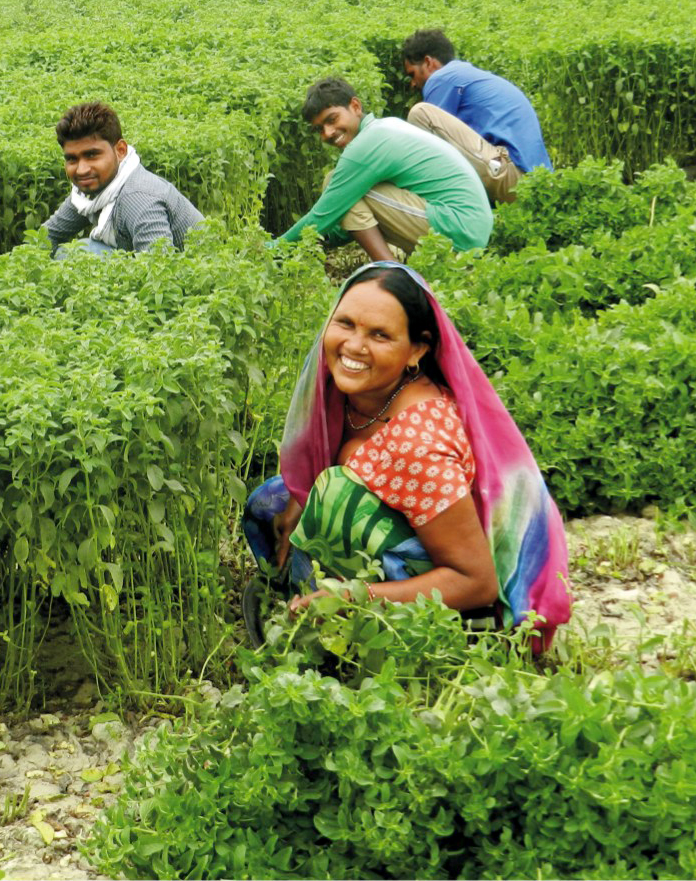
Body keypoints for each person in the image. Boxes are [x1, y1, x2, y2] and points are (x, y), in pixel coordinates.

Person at [242, 261, 570, 649]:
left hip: (459, 610)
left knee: (336, 494)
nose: (353, 346)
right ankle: (303, 594)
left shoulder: (416, 443)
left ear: (416, 350)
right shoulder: (350, 393)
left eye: (380, 335)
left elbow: (476, 581)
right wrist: (304, 498)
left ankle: (340, 636)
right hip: (405, 540)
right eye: (345, 323)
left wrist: (351, 598)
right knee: (275, 499)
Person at [277, 77, 492, 261]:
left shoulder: (367, 144)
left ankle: (393, 273)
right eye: (319, 129)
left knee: (338, 185)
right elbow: (348, 222)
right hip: (469, 227)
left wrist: (272, 250)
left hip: (461, 230)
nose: (328, 133)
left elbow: (322, 215)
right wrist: (324, 239)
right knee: (347, 192)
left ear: (355, 106)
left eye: (332, 120)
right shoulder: (386, 125)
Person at [401, 28, 553, 204]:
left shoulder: (442, 78)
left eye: (412, 74)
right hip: (536, 182)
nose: (413, 83)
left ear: (428, 62)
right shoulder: (465, 74)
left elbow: (426, 148)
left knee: (421, 114)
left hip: (513, 175)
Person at [42, 102, 205, 255]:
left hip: (197, 276)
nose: (82, 169)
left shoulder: (138, 199)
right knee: (75, 253)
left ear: (120, 151)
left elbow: (160, 269)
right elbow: (45, 238)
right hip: (149, 270)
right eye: (72, 159)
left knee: (83, 253)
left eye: (92, 155)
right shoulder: (88, 193)